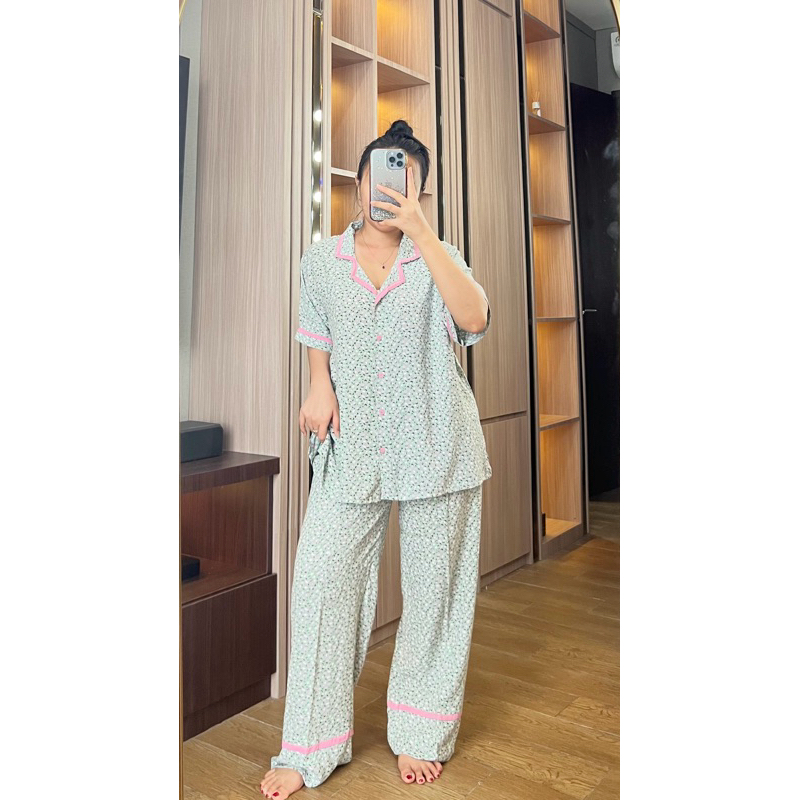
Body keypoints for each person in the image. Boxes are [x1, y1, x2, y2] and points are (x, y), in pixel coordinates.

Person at [260, 119, 492, 799]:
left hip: (438, 446)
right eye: (378, 174)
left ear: (417, 190)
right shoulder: (320, 261)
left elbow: (475, 319)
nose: (386, 188)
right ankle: (309, 744)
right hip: (352, 445)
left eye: (403, 178)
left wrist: (423, 233)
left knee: (435, 595)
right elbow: (316, 331)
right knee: (321, 586)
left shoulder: (438, 255)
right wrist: (318, 384)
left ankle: (421, 731)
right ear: (359, 182)